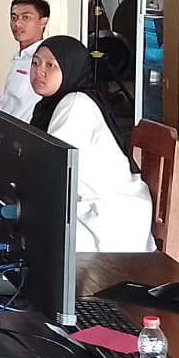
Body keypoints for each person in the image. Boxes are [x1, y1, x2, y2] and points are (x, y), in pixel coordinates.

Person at [25, 35, 152, 253]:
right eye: (35, 63)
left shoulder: (75, 105)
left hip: (109, 217)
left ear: (71, 68)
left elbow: (49, 166)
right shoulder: (52, 103)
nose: (39, 71)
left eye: (51, 65)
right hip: (86, 206)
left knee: (27, 233)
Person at [0, 0, 49, 134]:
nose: (17, 24)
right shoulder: (20, 58)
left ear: (43, 21)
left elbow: (24, 116)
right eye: (14, 18)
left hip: (16, 136)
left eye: (26, 18)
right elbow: (4, 107)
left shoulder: (42, 62)